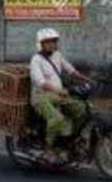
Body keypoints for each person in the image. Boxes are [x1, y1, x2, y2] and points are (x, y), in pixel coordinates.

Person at [29, 28, 91, 162]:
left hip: (58, 95)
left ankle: (68, 141)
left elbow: (70, 70)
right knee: (57, 119)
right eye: (49, 42)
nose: (52, 44)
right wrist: (59, 90)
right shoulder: (36, 60)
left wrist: (86, 79)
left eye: (54, 41)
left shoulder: (57, 55)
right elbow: (41, 83)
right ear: (41, 44)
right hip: (41, 96)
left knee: (82, 109)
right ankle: (48, 148)